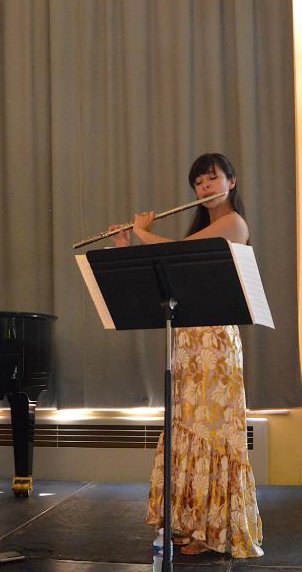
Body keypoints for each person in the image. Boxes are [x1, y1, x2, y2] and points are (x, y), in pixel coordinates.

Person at [111, 153, 264, 558]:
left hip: (215, 344)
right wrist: (127, 245)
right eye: (198, 183)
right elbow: (160, 273)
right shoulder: (205, 227)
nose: (204, 188)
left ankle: (214, 531)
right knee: (186, 430)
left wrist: (145, 233)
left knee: (211, 432)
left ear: (232, 181)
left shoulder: (235, 224)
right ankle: (189, 522)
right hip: (188, 342)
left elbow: (178, 252)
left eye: (212, 179)